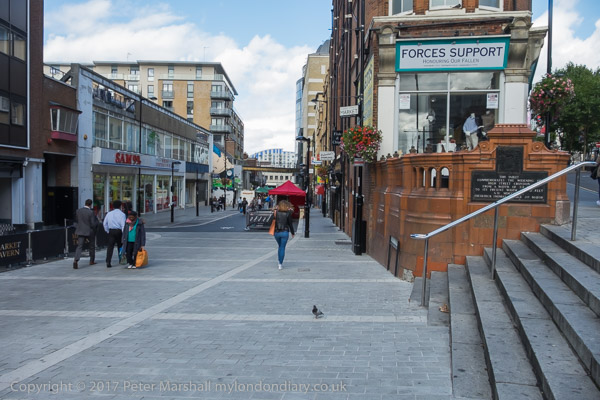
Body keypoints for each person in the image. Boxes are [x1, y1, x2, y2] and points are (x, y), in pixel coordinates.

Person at [73, 199, 98, 269]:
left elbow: (77, 220)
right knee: (92, 246)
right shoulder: (91, 212)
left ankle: (76, 260)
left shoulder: (78, 211)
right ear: (91, 204)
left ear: (85, 203)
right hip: (89, 231)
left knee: (79, 246)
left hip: (80, 230)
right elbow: (92, 223)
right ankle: (91, 260)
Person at [103, 200, 126, 268]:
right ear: (120, 206)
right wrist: (124, 234)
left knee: (110, 247)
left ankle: (108, 261)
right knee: (120, 246)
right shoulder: (122, 214)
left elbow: (105, 223)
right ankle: (121, 259)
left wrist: (107, 231)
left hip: (111, 231)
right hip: (119, 231)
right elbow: (123, 225)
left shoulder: (109, 214)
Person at [273, 200, 295, 270]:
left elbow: (273, 221)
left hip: (277, 232)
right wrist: (292, 233)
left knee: (280, 246)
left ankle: (279, 261)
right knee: (282, 247)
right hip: (285, 232)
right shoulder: (288, 213)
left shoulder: (276, 213)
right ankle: (280, 263)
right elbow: (290, 224)